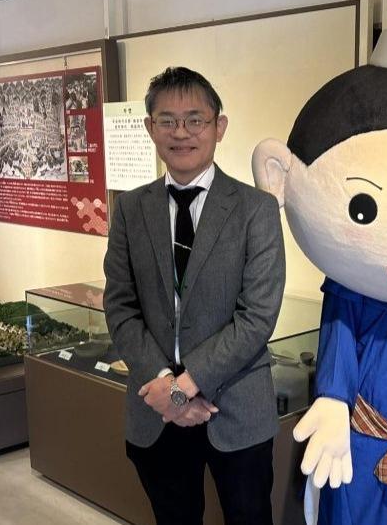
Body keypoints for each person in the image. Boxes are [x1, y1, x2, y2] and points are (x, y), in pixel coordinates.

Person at [103, 66, 285, 525]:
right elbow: (120, 306)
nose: (181, 133)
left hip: (236, 406)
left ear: (219, 127)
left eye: (195, 120)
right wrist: (164, 385)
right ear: (150, 128)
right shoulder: (130, 209)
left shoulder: (256, 209)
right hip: (156, 408)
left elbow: (257, 316)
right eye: (167, 120)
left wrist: (182, 389)